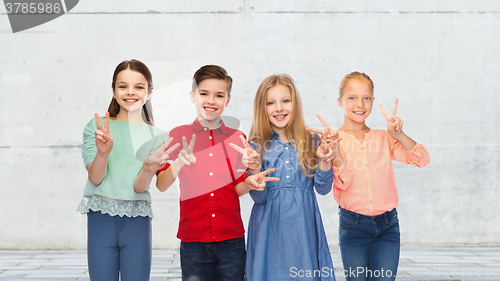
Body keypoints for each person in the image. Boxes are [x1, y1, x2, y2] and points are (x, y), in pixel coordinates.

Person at [78, 59, 178, 281]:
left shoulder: (157, 137)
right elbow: (95, 178)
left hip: (137, 221)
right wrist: (103, 153)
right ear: (113, 91)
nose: (130, 92)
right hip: (100, 219)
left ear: (149, 93)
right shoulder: (97, 127)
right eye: (123, 86)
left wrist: (150, 169)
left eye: (139, 87)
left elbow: (142, 187)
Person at [327, 71, 430, 281]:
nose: (360, 104)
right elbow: (343, 182)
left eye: (366, 98)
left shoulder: (384, 138)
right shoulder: (333, 141)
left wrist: (398, 134)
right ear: (340, 101)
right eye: (352, 98)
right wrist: (335, 152)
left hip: (387, 226)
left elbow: (422, 159)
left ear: (373, 101)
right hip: (352, 226)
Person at [150, 65, 249, 281]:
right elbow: (162, 184)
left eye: (219, 95)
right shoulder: (178, 135)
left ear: (228, 100)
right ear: (192, 96)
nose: (211, 101)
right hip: (193, 240)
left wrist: (251, 182)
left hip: (231, 239)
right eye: (204, 93)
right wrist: (178, 164)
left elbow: (239, 188)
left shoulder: (238, 138)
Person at [243, 74, 337, 281]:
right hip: (269, 229)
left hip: (303, 229)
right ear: (262, 108)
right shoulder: (256, 147)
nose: (279, 108)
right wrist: (255, 168)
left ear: (295, 103)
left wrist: (323, 160)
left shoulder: (312, 141)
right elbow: (259, 199)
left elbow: (322, 189)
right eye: (270, 103)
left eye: (285, 100)